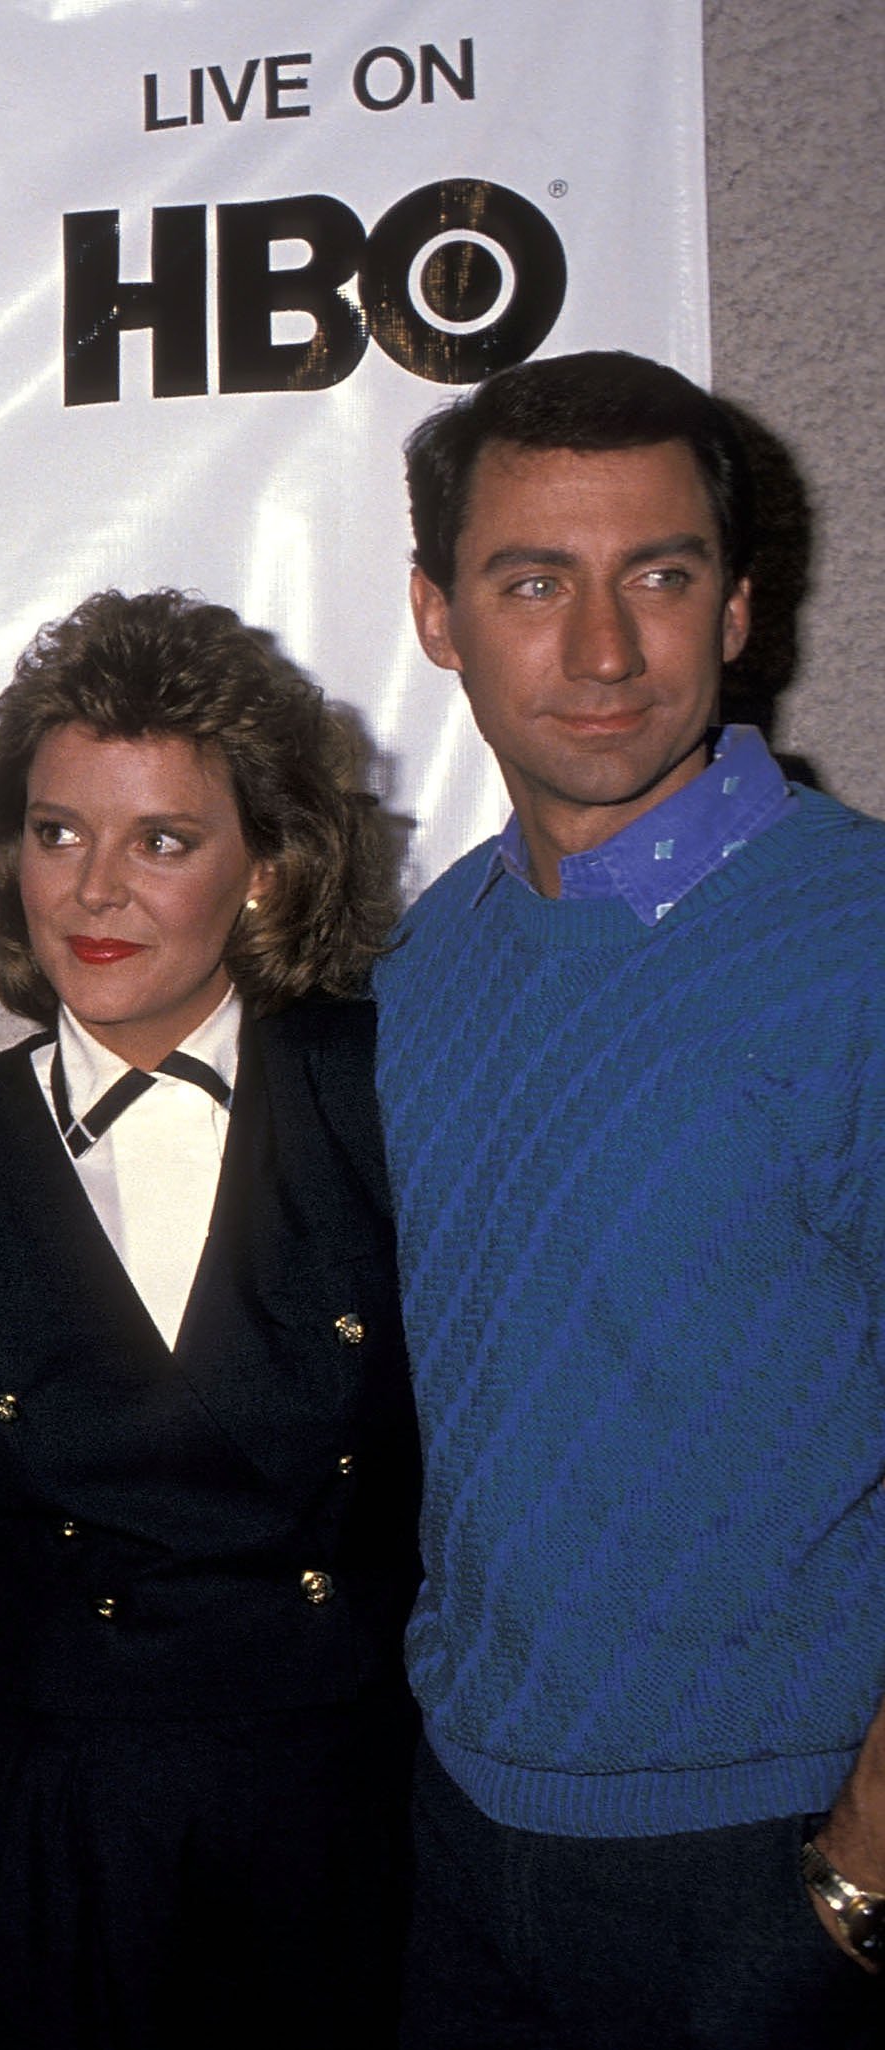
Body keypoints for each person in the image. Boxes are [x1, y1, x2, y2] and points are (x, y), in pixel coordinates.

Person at [381, 349, 885, 2045]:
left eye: (658, 576)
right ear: (440, 615)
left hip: (780, 1864)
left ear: (738, 607)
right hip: (462, 1840)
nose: (602, 651)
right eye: (534, 581)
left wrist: (858, 1881)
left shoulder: (863, 947)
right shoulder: (436, 951)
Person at [0, 589, 417, 2047]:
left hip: (353, 1812)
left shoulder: (396, 1096)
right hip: (50, 1835)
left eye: (161, 839)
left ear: (270, 870)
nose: (94, 889)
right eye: (56, 832)